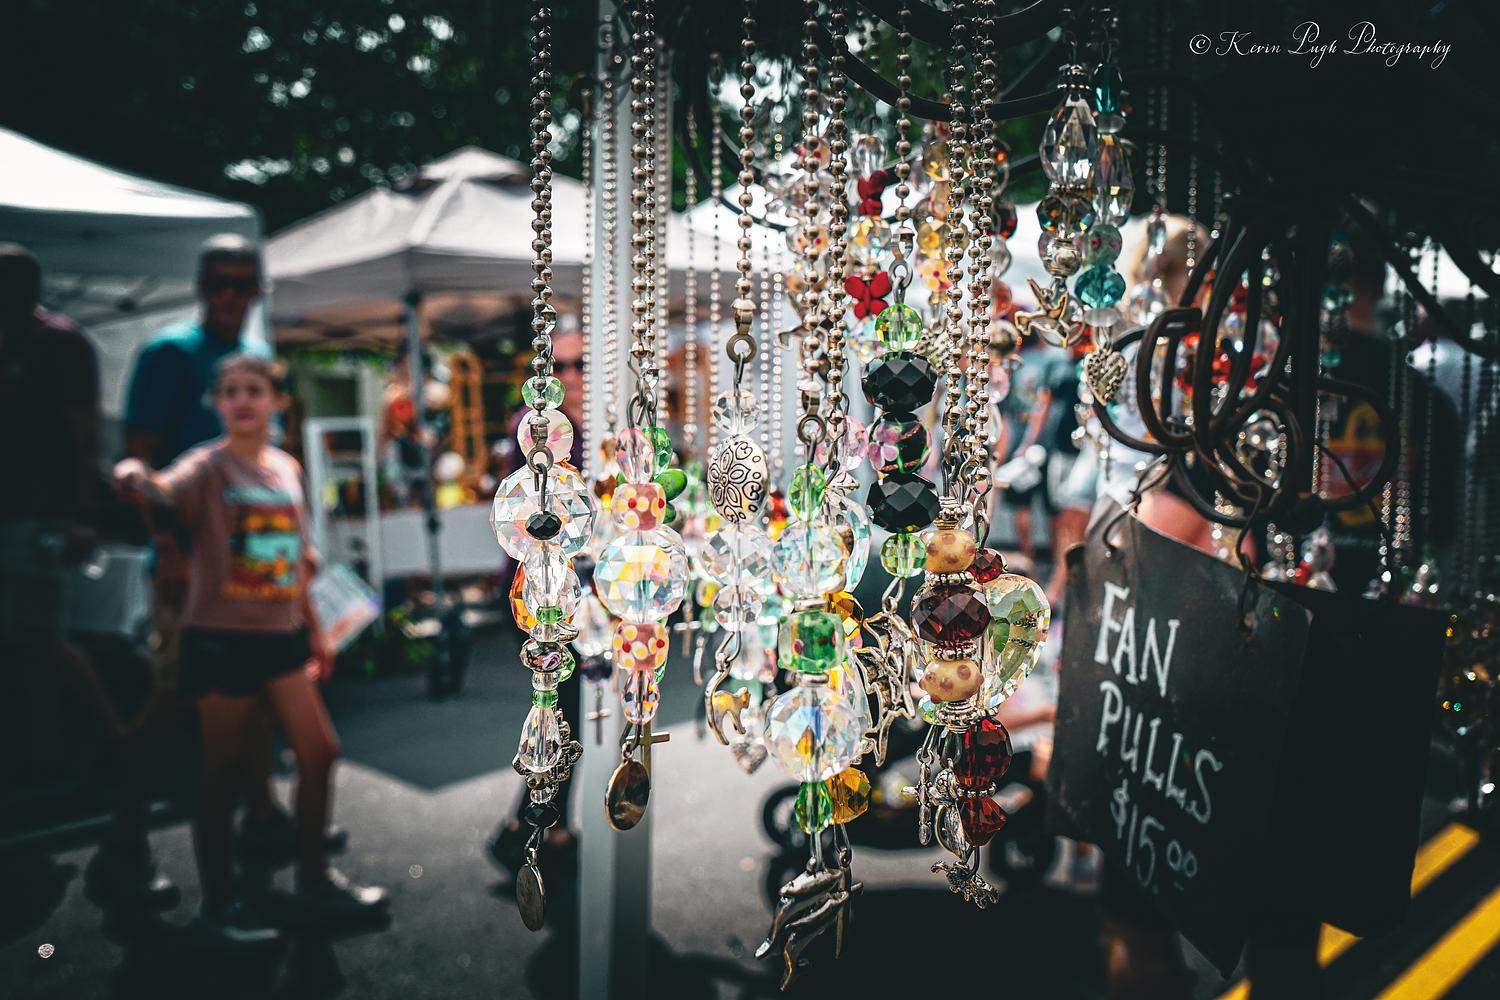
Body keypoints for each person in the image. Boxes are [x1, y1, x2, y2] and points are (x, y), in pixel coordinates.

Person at [113, 354, 387, 946]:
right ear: (217, 403)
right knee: (221, 772)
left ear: (277, 401)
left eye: (254, 390)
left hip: (282, 637)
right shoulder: (206, 466)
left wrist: (316, 631)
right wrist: (136, 472)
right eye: (231, 390)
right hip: (221, 639)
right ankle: (219, 906)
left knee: (319, 754)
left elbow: (300, 559)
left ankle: (313, 884)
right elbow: (162, 489)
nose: (242, 400)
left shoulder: (287, 468)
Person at [91, 236, 328, 907]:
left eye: (240, 283)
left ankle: (263, 820)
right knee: (172, 702)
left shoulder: (251, 358)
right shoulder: (169, 353)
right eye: (217, 282)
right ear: (200, 287)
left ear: (256, 289)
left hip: (254, 577)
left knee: (253, 706)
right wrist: (167, 550)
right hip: (190, 572)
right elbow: (145, 464)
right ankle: (123, 845)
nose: (228, 294)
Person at [0, 245, 126, 782]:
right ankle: (42, 751)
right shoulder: (12, 342)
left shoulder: (60, 342)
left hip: (42, 514)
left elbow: (84, 433)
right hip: (16, 512)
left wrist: (82, 513)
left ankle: (117, 738)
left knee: (40, 636)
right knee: (23, 640)